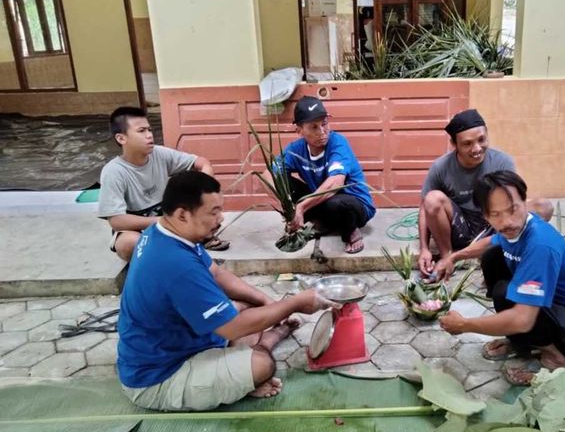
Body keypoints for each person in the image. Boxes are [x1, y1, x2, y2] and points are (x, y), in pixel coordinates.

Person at [117, 171, 340, 411]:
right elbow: (232, 327)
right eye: (213, 212)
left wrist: (267, 301)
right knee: (262, 365)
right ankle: (267, 345)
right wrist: (295, 303)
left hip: (178, 340)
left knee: (251, 307)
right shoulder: (176, 264)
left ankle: (257, 346)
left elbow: (216, 273)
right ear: (182, 214)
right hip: (159, 378)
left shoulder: (164, 233)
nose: (221, 218)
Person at [438, 170, 565, 385]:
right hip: (556, 309)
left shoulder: (540, 245)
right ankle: (523, 342)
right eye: (495, 214)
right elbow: (491, 241)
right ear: (485, 216)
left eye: (512, 209)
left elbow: (522, 319)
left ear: (524, 203)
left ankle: (554, 357)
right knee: (492, 257)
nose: (506, 221)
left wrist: (464, 325)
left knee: (506, 295)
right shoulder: (516, 228)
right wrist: (455, 257)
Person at [418, 109, 553, 279]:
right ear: (454, 144)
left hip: (494, 223)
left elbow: (513, 203)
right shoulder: (441, 167)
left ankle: (504, 250)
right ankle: (447, 256)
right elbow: (424, 208)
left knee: (543, 207)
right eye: (467, 144)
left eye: (481, 140)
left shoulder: (502, 161)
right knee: (432, 199)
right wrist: (424, 248)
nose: (476, 149)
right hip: (461, 227)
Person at [98, 106, 229, 261]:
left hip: (169, 223)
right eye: (141, 131)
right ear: (121, 138)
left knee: (199, 203)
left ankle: (183, 243)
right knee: (127, 244)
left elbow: (201, 163)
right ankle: (174, 251)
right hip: (140, 229)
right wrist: (161, 221)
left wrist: (203, 193)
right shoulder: (113, 171)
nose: (149, 135)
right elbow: (117, 221)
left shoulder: (159, 153)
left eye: (149, 130)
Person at [265, 96, 376, 254]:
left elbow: (335, 184)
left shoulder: (338, 143)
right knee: (281, 181)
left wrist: (302, 207)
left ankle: (350, 230)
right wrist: (288, 208)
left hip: (355, 205)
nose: (322, 131)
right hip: (323, 203)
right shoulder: (295, 150)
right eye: (314, 127)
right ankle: (321, 223)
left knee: (336, 202)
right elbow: (268, 175)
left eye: (324, 124)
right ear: (299, 131)